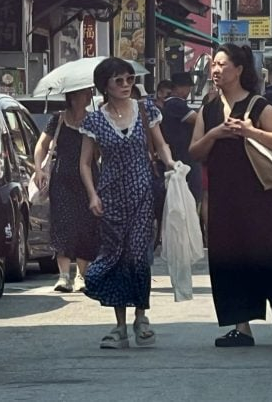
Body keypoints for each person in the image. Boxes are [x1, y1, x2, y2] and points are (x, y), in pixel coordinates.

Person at [188, 43, 272, 347]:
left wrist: (251, 132)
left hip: (257, 195)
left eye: (222, 64)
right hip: (222, 197)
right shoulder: (208, 108)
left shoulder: (258, 104)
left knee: (263, 255)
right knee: (227, 259)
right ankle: (241, 326)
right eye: (213, 65)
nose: (216, 70)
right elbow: (194, 150)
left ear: (239, 70)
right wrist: (215, 133)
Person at [79, 57, 176, 349]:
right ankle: (119, 325)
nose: (125, 85)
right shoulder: (94, 120)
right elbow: (84, 163)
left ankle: (141, 317)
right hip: (110, 197)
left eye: (129, 80)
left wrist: (171, 162)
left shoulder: (146, 110)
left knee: (137, 255)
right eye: (118, 80)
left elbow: (160, 144)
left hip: (141, 192)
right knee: (115, 257)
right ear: (104, 86)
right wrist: (93, 195)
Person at [33, 87, 100, 293]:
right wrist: (38, 169)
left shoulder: (94, 120)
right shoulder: (59, 119)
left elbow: (98, 152)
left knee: (85, 225)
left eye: (90, 92)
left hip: (88, 179)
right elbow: (41, 146)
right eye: (84, 92)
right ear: (72, 96)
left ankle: (81, 275)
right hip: (61, 178)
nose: (89, 95)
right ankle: (63, 276)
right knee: (62, 224)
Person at [161, 73, 201, 203]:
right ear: (180, 88)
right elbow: (197, 119)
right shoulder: (175, 104)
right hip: (182, 154)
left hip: (177, 152)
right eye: (188, 87)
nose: (188, 91)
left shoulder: (169, 104)